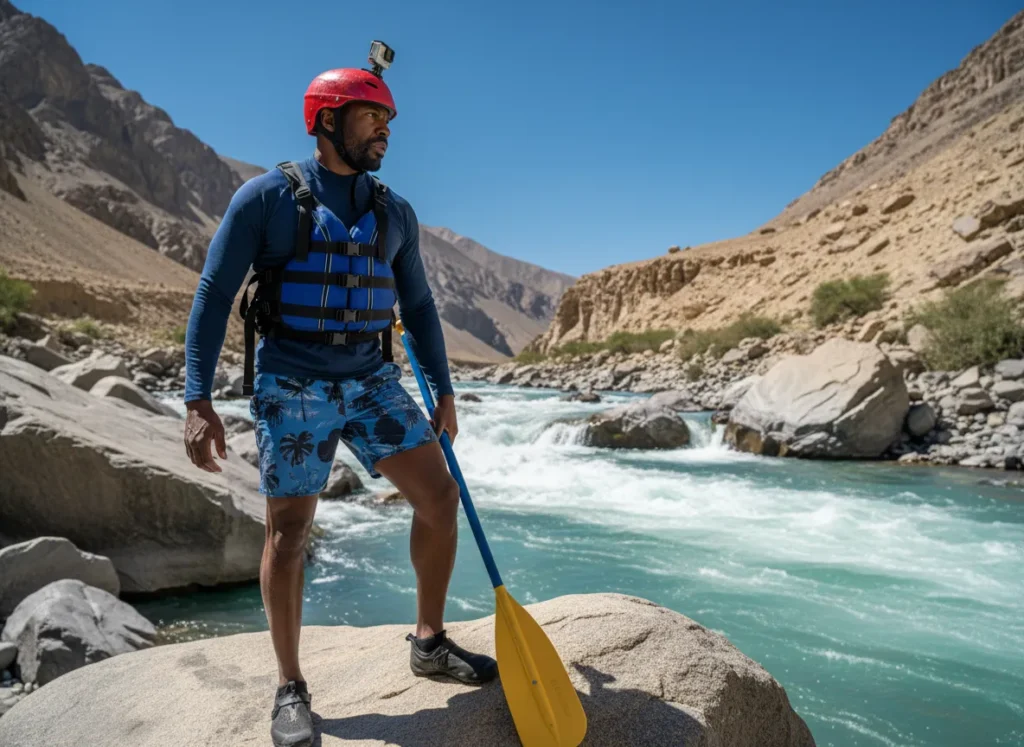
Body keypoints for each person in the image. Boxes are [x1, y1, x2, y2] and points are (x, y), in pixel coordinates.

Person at [181, 46, 497, 747]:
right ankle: (291, 686)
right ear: (326, 122)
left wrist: (443, 387)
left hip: (372, 379)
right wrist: (197, 398)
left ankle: (429, 639)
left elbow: (416, 304)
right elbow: (212, 294)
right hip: (290, 381)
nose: (386, 129)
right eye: (371, 116)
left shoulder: (395, 213)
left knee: (439, 499)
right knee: (289, 534)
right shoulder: (266, 198)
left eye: (388, 118)